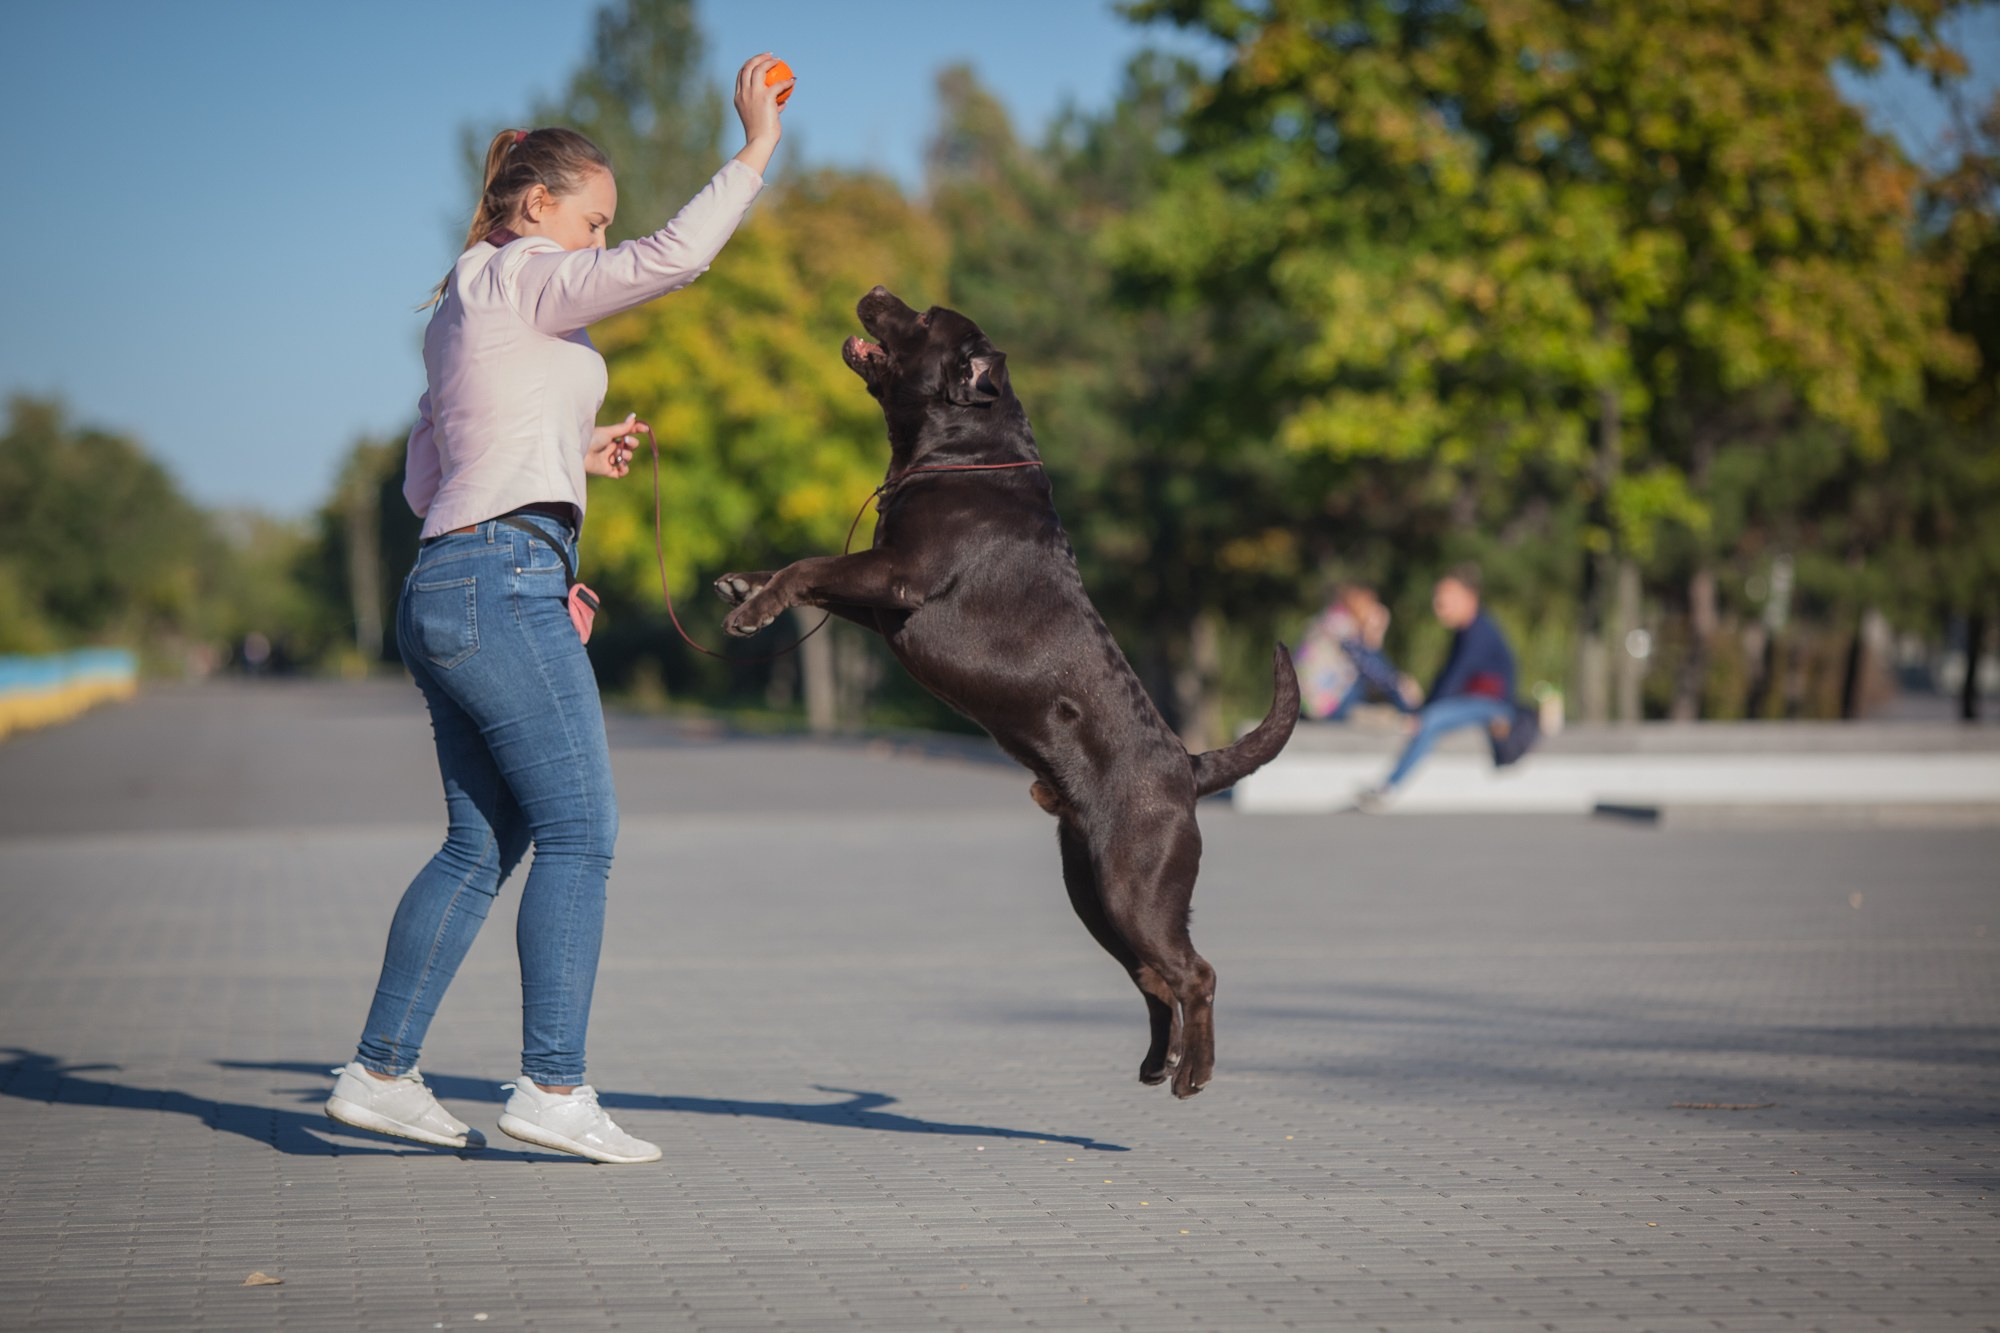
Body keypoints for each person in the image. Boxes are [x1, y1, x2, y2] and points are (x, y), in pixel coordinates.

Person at [323, 56, 794, 1164]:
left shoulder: (457, 307)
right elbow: (673, 260)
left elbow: (423, 476)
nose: (596, 243)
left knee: (480, 847)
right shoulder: (531, 269)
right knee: (582, 832)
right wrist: (756, 147)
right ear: (539, 205)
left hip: (448, 578)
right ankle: (552, 1086)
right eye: (592, 221)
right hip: (501, 578)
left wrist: (567, 454)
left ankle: (381, 1071)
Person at [1358, 566, 1516, 808]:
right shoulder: (1466, 631)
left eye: (1447, 596)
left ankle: (1388, 787)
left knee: (1431, 720)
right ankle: (1387, 785)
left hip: (1493, 706)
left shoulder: (1479, 632)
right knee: (1426, 714)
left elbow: (1457, 678)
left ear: (1469, 597)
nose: (1438, 602)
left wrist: (1422, 714)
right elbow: (1448, 676)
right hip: (1475, 702)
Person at [1295, 584, 1417, 721]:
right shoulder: (1343, 626)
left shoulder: (1329, 619)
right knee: (1370, 680)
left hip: (1305, 704)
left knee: (1374, 679)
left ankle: (1406, 711)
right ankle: (1412, 713)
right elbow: (1374, 669)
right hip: (1322, 706)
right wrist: (1401, 684)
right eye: (1372, 605)